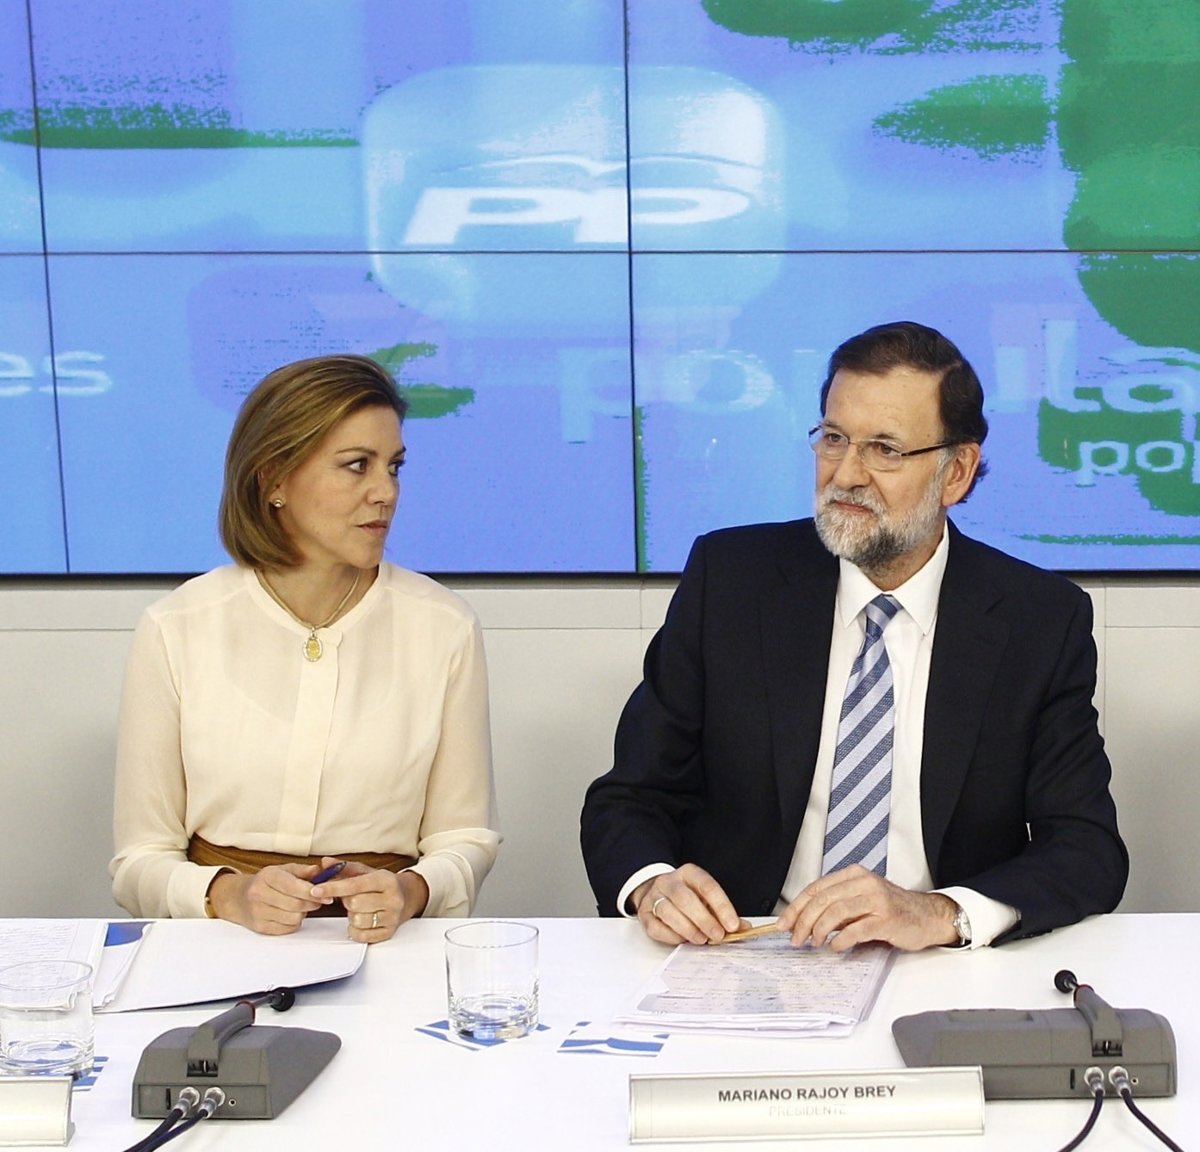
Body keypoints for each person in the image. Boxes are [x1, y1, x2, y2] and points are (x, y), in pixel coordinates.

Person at [580, 321, 1127, 952]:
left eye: (884, 449)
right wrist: (653, 884)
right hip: (746, 951)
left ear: (957, 472)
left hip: (937, 967)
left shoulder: (1038, 620)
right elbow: (628, 798)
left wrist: (940, 914)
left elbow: (1087, 849)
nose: (845, 474)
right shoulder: (730, 582)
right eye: (834, 439)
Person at [111, 354, 499, 941]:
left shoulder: (443, 625)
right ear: (274, 478)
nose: (385, 492)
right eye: (357, 466)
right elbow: (138, 860)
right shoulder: (177, 626)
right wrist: (228, 894)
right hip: (222, 943)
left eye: (394, 467)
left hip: (385, 944)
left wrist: (410, 891)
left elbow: (464, 839)